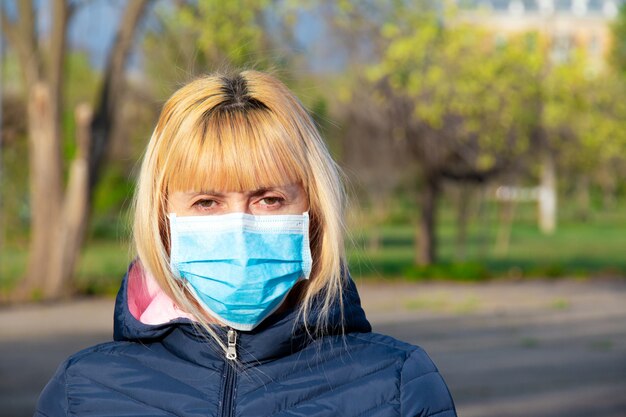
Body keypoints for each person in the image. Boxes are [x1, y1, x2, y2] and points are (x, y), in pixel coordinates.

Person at [35, 70, 457, 417]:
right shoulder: (82, 393)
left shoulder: (396, 386)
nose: (239, 226)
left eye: (269, 199)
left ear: (313, 212)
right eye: (206, 201)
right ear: (162, 219)